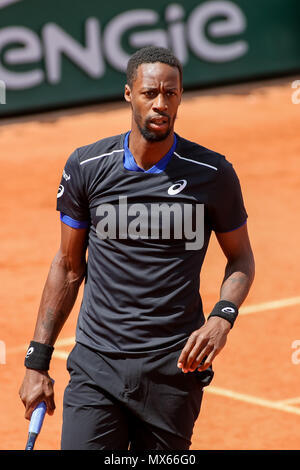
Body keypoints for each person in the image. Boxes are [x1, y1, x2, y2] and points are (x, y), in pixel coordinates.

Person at [19, 46, 255, 450]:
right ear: (129, 93)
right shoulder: (87, 167)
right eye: (150, 93)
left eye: (171, 93)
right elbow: (68, 267)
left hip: (173, 368)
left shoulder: (213, 174)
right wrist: (37, 361)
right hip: (97, 364)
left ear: (181, 96)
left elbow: (241, 257)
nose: (161, 104)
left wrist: (222, 318)